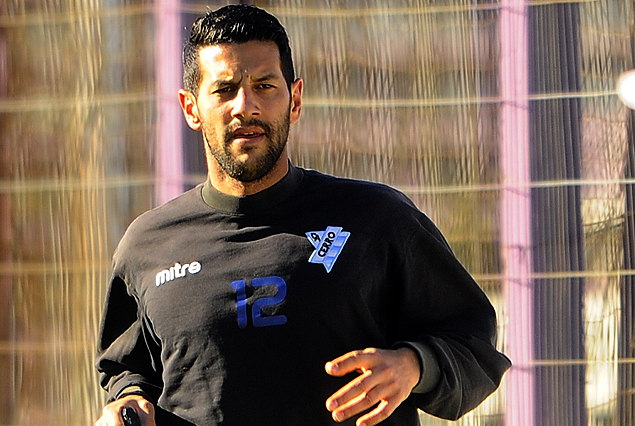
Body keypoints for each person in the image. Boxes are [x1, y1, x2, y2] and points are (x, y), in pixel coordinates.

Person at [95, 4, 511, 426]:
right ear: (191, 108)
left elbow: (473, 344)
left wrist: (413, 364)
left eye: (264, 86)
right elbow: (128, 372)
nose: (246, 106)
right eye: (224, 89)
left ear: (294, 100)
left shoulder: (376, 219)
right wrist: (127, 404)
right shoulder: (148, 245)